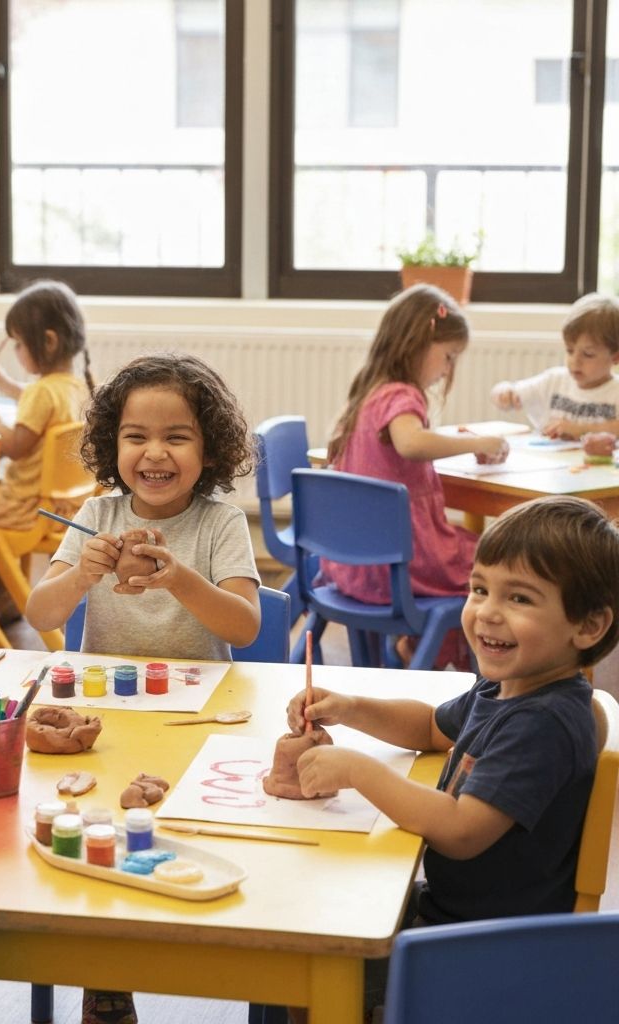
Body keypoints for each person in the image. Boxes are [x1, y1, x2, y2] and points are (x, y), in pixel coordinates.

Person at [281, 494, 619, 1021]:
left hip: (482, 949)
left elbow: (462, 832)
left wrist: (357, 770)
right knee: (309, 928)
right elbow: (432, 727)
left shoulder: (544, 722)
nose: (487, 612)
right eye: (479, 589)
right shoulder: (508, 686)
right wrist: (349, 707)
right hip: (453, 911)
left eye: (520, 599)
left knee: (301, 970)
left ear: (588, 627)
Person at [26, 352, 261, 1024]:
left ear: (208, 447)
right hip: (105, 719)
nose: (154, 453)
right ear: (111, 445)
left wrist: (180, 578)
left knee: (188, 833)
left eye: (176, 437)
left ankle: (232, 957)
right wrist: (80, 575)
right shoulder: (95, 514)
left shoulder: (218, 522)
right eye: (136, 437)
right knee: (102, 836)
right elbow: (41, 615)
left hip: (198, 724)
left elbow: (244, 626)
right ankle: (105, 980)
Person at [326, 283, 508, 668]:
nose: (447, 370)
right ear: (416, 344)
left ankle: (423, 648)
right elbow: (409, 443)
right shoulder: (401, 395)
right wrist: (478, 442)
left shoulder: (369, 393)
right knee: (492, 563)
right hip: (398, 568)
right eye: (447, 356)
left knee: (477, 560)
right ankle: (459, 664)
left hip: (353, 567)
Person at [0, 279, 95, 531]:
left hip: (26, 508)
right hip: (66, 505)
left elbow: (13, 448)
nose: (16, 350)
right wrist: (3, 382)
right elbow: (44, 409)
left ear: (49, 341)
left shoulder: (41, 392)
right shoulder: (78, 386)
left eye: (19, 344)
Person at [490, 291, 619, 438]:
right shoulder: (554, 381)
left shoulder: (615, 392)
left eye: (588, 354)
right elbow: (509, 391)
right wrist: (504, 392)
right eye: (570, 351)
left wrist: (580, 429)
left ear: (615, 357)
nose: (575, 361)